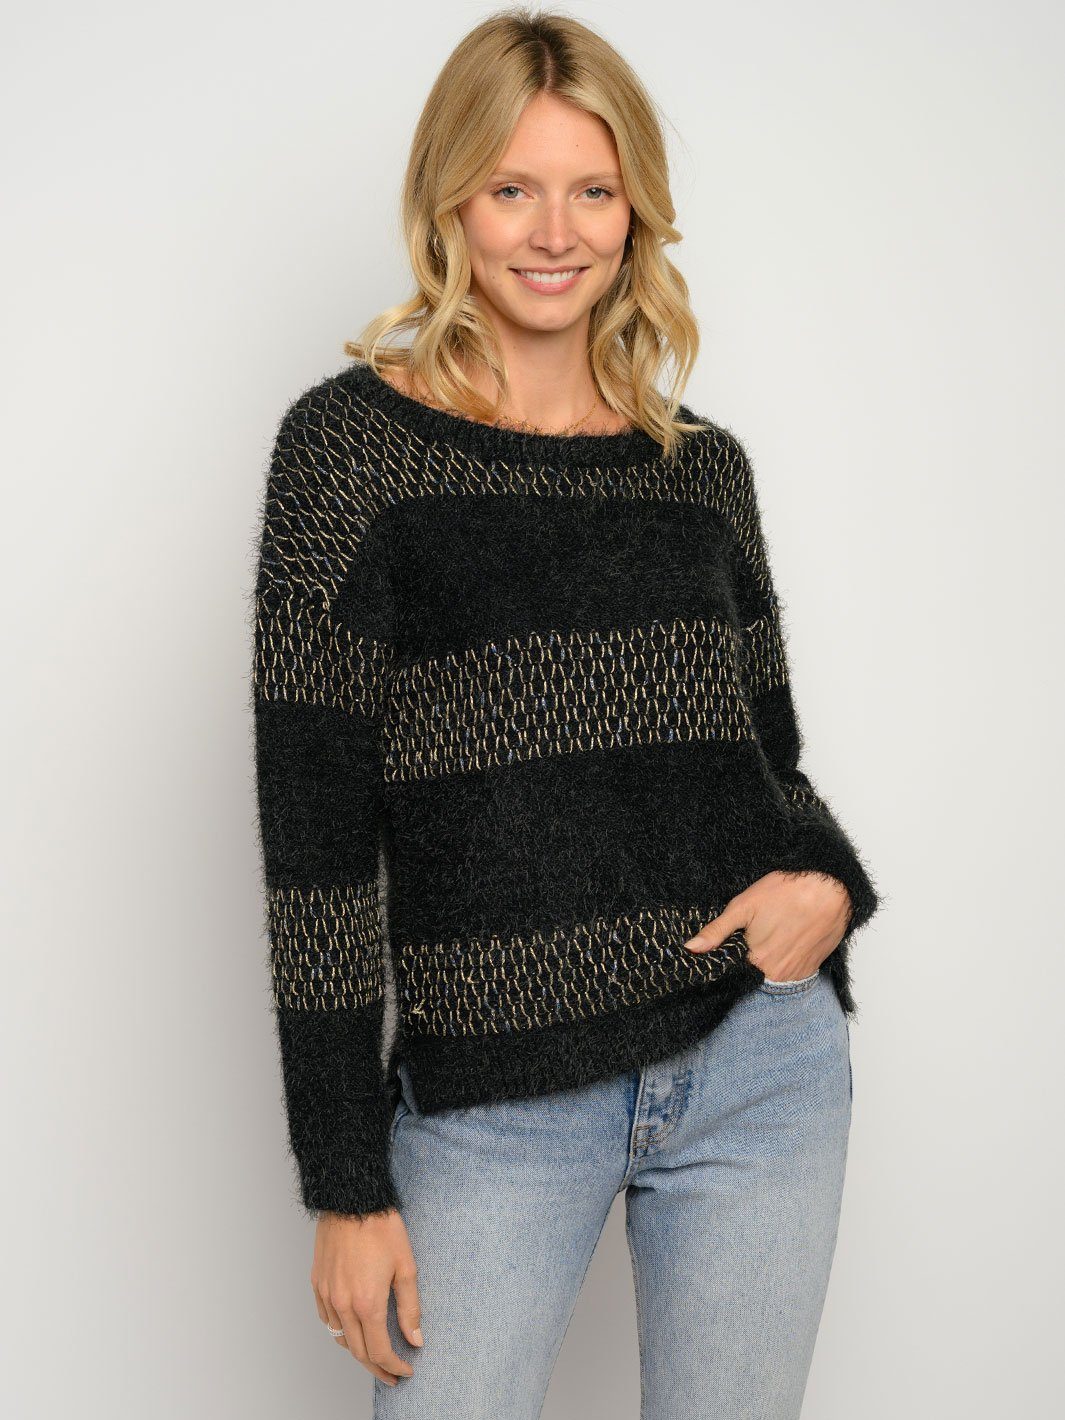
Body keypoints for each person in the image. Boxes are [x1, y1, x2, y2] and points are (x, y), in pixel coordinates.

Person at [250, 9, 881, 1418]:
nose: (554, 232)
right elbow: (316, 848)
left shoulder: (700, 472)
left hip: (757, 1068)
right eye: (511, 188)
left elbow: (769, 765)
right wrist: (345, 1181)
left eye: (592, 189)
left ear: (635, 208)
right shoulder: (349, 456)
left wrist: (828, 886)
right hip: (495, 1106)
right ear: (450, 202)